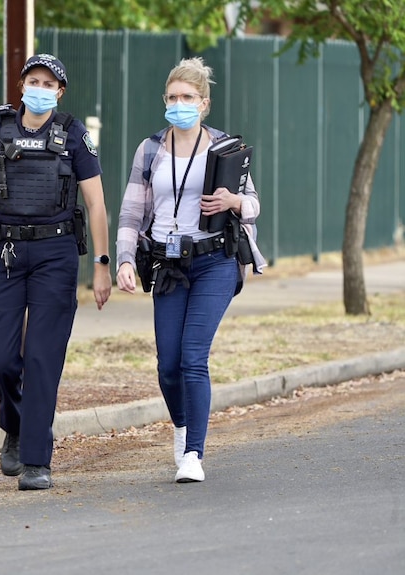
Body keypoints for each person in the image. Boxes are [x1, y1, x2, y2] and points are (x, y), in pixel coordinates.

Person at [0, 54, 112, 490]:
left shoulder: (74, 134)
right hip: (3, 251)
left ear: (60, 92)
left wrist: (101, 264)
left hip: (55, 254)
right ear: (21, 86)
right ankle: (16, 425)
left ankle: (37, 460)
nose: (40, 88)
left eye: (49, 83)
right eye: (32, 80)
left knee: (41, 358)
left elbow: (95, 203)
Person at [115, 57, 266, 483]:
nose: (179, 104)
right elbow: (130, 213)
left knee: (193, 358)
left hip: (214, 261)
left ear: (204, 103)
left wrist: (233, 202)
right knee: (168, 364)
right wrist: (125, 259)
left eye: (188, 97)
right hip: (167, 264)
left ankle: (194, 454)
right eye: (173, 97)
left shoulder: (225, 148)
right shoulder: (150, 150)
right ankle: (181, 427)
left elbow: (254, 206)